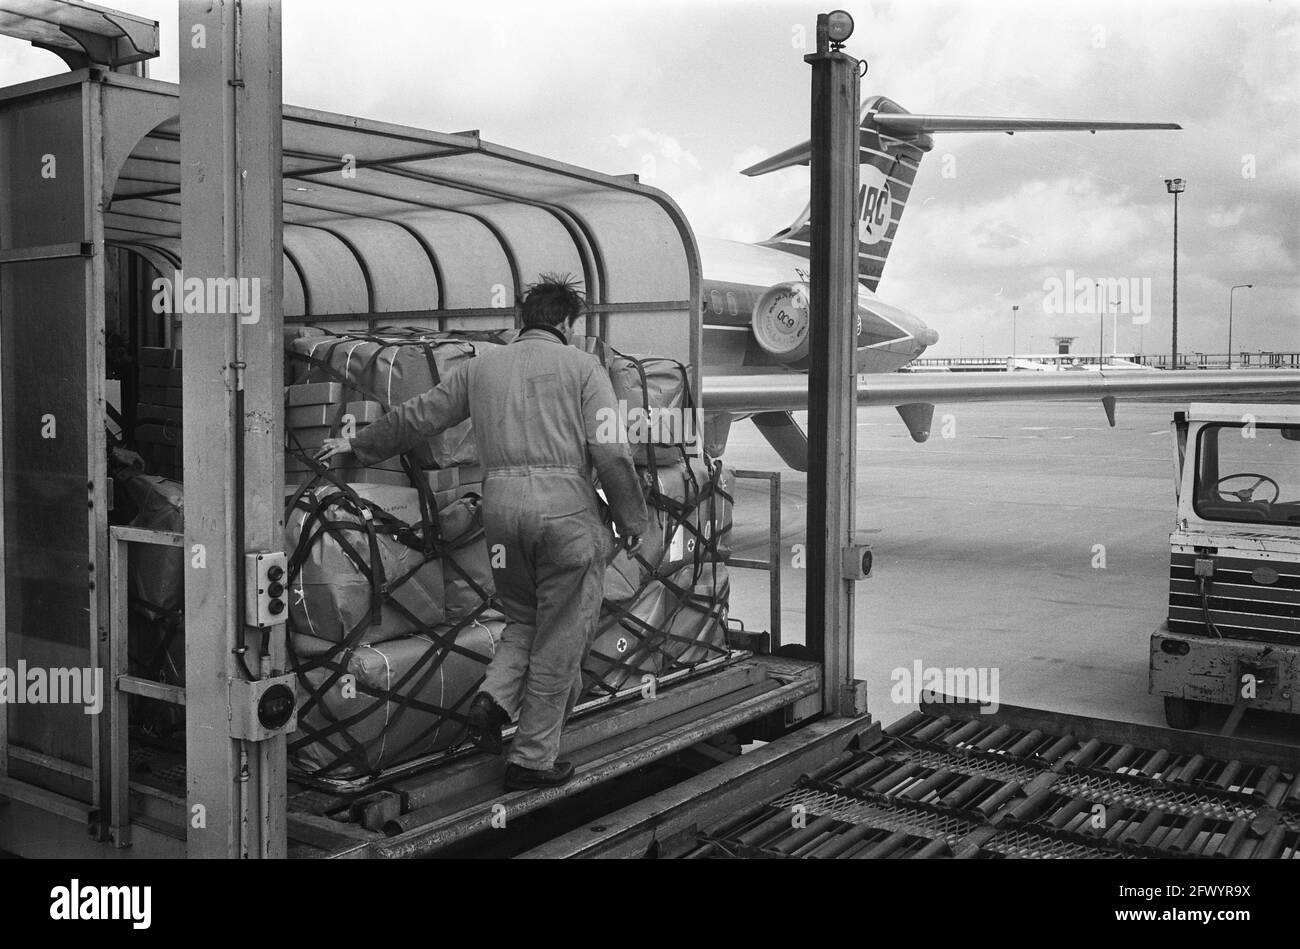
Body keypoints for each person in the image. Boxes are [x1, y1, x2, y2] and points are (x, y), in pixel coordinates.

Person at [316, 275, 648, 790]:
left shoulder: (481, 366)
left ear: (525, 319)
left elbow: (419, 417)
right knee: (561, 636)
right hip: (565, 514)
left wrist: (356, 448)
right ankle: (533, 759)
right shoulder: (585, 368)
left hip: (500, 514)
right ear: (566, 323)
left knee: (522, 618)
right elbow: (608, 449)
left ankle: (493, 699)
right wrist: (632, 519)